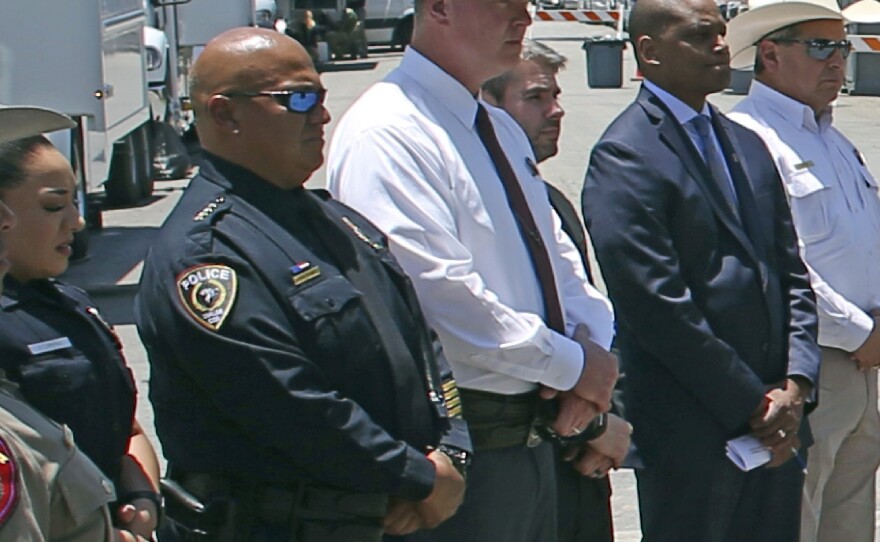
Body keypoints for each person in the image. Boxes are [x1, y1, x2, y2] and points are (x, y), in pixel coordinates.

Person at [135, 27, 469, 542]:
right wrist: (416, 476)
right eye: (297, 98)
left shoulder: (333, 219)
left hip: (381, 512)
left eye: (319, 96)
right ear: (225, 114)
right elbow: (286, 402)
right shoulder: (206, 253)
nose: (321, 114)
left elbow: (421, 348)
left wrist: (451, 454)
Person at [327, 1, 619, 540]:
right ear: (438, 8)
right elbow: (439, 299)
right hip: (469, 442)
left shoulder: (497, 129)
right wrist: (573, 366)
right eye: (503, 4)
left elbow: (559, 262)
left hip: (535, 437)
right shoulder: (389, 129)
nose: (523, 18)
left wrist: (590, 356)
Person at [581, 0, 822, 540]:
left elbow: (790, 272)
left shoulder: (747, 144)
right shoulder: (628, 154)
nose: (720, 46)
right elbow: (655, 305)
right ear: (650, 51)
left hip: (778, 426)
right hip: (694, 432)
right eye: (700, 35)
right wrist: (751, 402)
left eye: (721, 33)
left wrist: (796, 384)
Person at [726, 2, 880, 541]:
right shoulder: (747, 138)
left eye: (843, 47)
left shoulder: (833, 139)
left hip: (863, 365)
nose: (838, 61)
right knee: (797, 518)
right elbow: (774, 264)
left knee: (851, 518)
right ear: (769, 53)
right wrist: (862, 333)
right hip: (809, 365)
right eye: (821, 47)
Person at [482, 38, 630, 542]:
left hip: (580, 465)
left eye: (557, 96)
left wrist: (605, 413)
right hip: (522, 457)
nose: (557, 110)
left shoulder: (550, 201)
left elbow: (589, 320)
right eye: (536, 98)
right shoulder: (481, 208)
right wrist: (590, 426)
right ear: (489, 107)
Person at [0, 134, 162, 538]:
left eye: (75, 202)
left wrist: (143, 500)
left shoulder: (72, 305)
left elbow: (127, 431)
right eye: (53, 206)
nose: (76, 221)